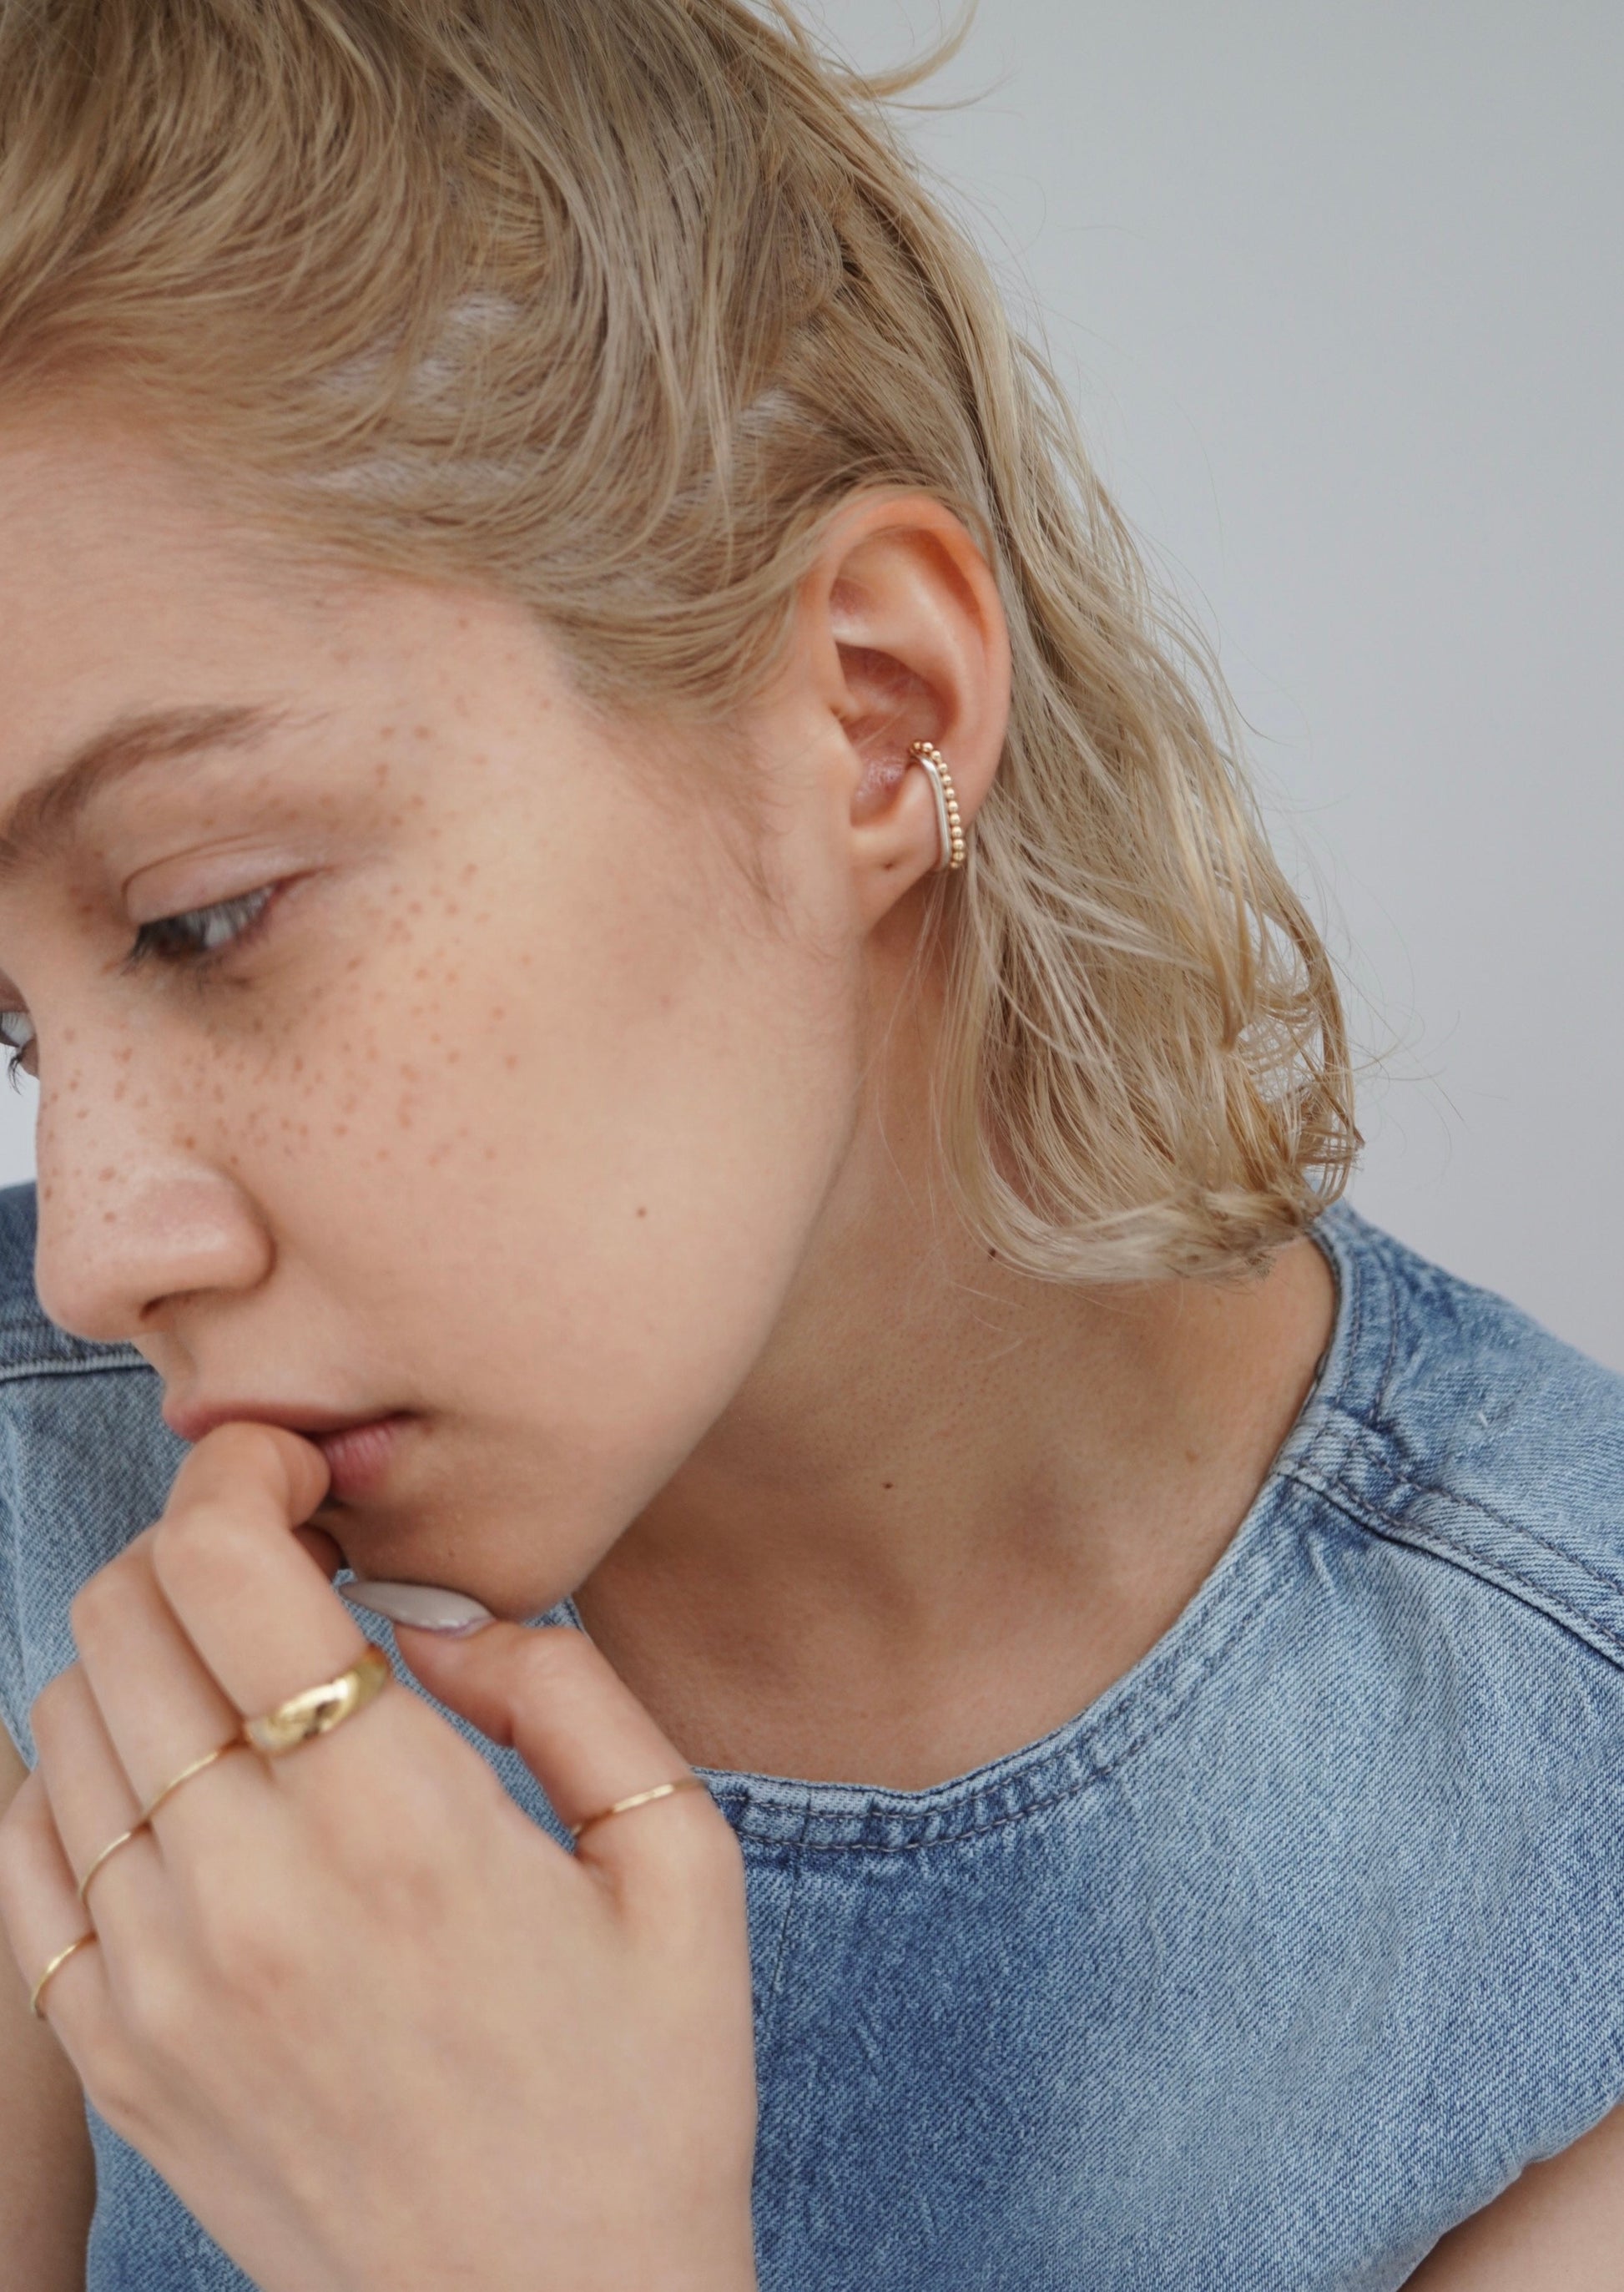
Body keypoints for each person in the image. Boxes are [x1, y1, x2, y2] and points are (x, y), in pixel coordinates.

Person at [0, 3, 1621, 2286]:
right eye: (15, 1030)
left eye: (202, 914)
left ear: (870, 715)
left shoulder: (1566, 1801)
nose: (92, 1246)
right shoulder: (35, 1525)